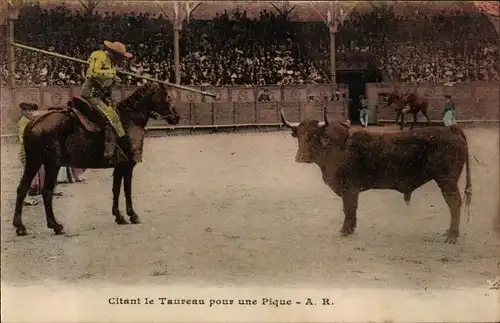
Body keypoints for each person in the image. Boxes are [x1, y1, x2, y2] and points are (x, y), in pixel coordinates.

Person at [80, 40, 133, 163]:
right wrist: (111, 73)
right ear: (115, 54)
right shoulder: (99, 56)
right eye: (121, 57)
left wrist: (114, 78)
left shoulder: (111, 63)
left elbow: (106, 82)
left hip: (102, 97)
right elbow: (91, 73)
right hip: (91, 95)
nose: (122, 60)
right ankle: (110, 153)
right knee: (112, 117)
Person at [18, 103, 63, 206]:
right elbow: (24, 139)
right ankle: (25, 198)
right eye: (28, 110)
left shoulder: (30, 121)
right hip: (27, 152)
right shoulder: (23, 123)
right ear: (23, 112)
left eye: (32, 110)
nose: (30, 112)